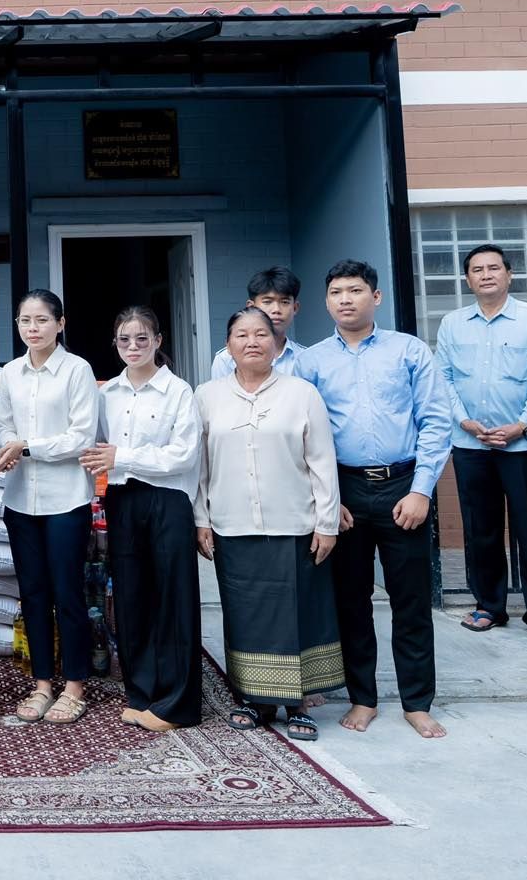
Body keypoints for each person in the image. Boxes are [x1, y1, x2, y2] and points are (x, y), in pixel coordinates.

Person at [294, 260, 453, 739]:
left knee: (410, 600)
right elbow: (303, 435)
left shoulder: (408, 351)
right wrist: (327, 499)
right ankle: (363, 698)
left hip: (403, 486)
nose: (345, 299)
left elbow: (435, 420)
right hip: (343, 491)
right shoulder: (312, 361)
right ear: (327, 302)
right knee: (351, 601)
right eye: (336, 292)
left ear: (376, 297)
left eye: (355, 290)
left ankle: (417, 702)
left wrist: (421, 490)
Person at [195, 307, 342, 741]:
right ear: (228, 345)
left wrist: (327, 522)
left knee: (299, 611)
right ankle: (252, 700)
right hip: (232, 524)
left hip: (294, 523)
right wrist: (201, 519)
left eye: (261, 334)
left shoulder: (301, 394)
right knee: (245, 615)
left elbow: (322, 461)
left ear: (277, 344)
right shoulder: (207, 395)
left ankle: (298, 703)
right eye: (241, 334)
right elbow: (199, 466)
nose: (252, 342)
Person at [80, 306, 202, 733]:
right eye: (124, 340)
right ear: (115, 344)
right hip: (122, 499)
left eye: (142, 339)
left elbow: (183, 455)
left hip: (167, 500)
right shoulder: (106, 393)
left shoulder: (178, 392)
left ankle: (178, 704)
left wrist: (124, 456)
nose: (133, 347)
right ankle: (142, 693)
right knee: (132, 598)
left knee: (173, 599)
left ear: (158, 341)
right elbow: (94, 446)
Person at [0, 290, 98, 725]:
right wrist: (9, 445)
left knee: (67, 592)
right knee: (32, 593)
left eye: (41, 320)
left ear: (60, 323)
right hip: (21, 499)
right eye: (25, 320)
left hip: (66, 498)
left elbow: (81, 436)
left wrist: (27, 446)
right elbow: (2, 422)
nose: (32, 328)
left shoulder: (77, 370)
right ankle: (41, 684)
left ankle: (74, 686)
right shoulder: (11, 373)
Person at [435, 244, 527, 633]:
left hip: (523, 445)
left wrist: (522, 424)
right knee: (481, 529)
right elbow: (442, 378)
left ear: (510, 274)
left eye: (494, 267)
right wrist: (464, 421)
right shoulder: (452, 323)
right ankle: (489, 606)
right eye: (477, 269)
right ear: (467, 279)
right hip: (471, 445)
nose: (486, 274)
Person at [210, 266, 304, 379]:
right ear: (251, 307)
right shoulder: (226, 359)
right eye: (267, 302)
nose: (276, 309)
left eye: (284, 302)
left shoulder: (305, 357)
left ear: (295, 308)